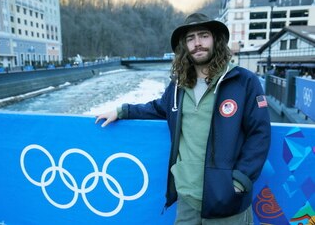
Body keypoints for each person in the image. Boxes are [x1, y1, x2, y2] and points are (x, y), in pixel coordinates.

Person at [95, 13, 271, 225]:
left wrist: (239, 182)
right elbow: (159, 107)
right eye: (190, 38)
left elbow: (259, 134)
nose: (197, 43)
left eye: (203, 36)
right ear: (184, 46)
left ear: (216, 39)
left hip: (227, 199)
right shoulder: (179, 85)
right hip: (187, 196)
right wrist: (122, 111)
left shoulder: (243, 81)